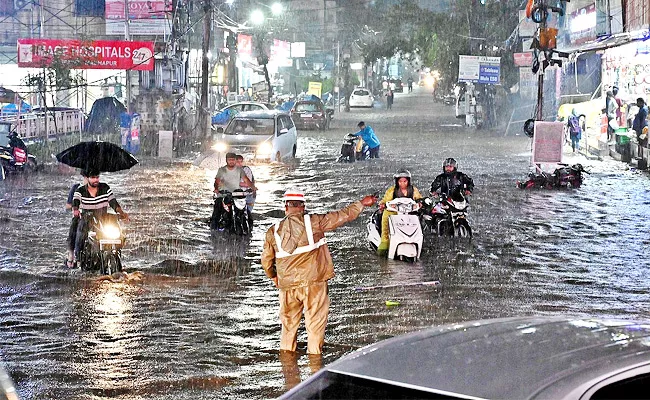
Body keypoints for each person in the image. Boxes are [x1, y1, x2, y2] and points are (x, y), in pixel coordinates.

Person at [260, 188, 377, 354]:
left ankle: (288, 368)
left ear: (286, 207)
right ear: (303, 206)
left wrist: (273, 276)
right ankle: (315, 366)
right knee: (315, 326)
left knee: (288, 328)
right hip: (314, 283)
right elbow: (342, 216)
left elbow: (266, 261)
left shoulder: (273, 231)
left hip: (287, 286)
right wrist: (362, 203)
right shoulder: (315, 222)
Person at [72, 169, 129, 264]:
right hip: (88, 218)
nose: (95, 180)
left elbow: (113, 203)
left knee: (119, 233)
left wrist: (122, 213)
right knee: (81, 232)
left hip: (103, 217)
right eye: (93, 178)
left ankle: (117, 251)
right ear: (87, 178)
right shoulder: (80, 191)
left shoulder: (105, 188)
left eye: (97, 177)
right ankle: (78, 255)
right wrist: (76, 210)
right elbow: (76, 202)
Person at [376, 169, 423, 257]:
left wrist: (421, 203)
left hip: (409, 214)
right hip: (393, 214)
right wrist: (382, 204)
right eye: (400, 181)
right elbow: (385, 200)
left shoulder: (413, 190)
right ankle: (384, 244)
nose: (402, 184)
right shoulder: (392, 191)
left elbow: (419, 198)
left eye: (405, 181)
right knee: (386, 224)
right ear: (397, 182)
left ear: (408, 181)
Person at [211, 152, 255, 229]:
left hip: (239, 195)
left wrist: (252, 187)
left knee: (246, 211)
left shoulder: (242, 170)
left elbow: (246, 181)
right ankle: (214, 227)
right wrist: (216, 189)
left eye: (233, 160)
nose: (232, 162)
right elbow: (217, 181)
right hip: (226, 194)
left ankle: (249, 226)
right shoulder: (222, 170)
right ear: (226, 161)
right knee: (218, 208)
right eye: (229, 160)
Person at [65, 173, 88, 268]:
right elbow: (68, 206)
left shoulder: (100, 189)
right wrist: (76, 208)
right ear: (84, 177)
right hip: (80, 217)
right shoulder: (76, 188)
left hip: (96, 218)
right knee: (75, 227)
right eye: (88, 177)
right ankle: (72, 255)